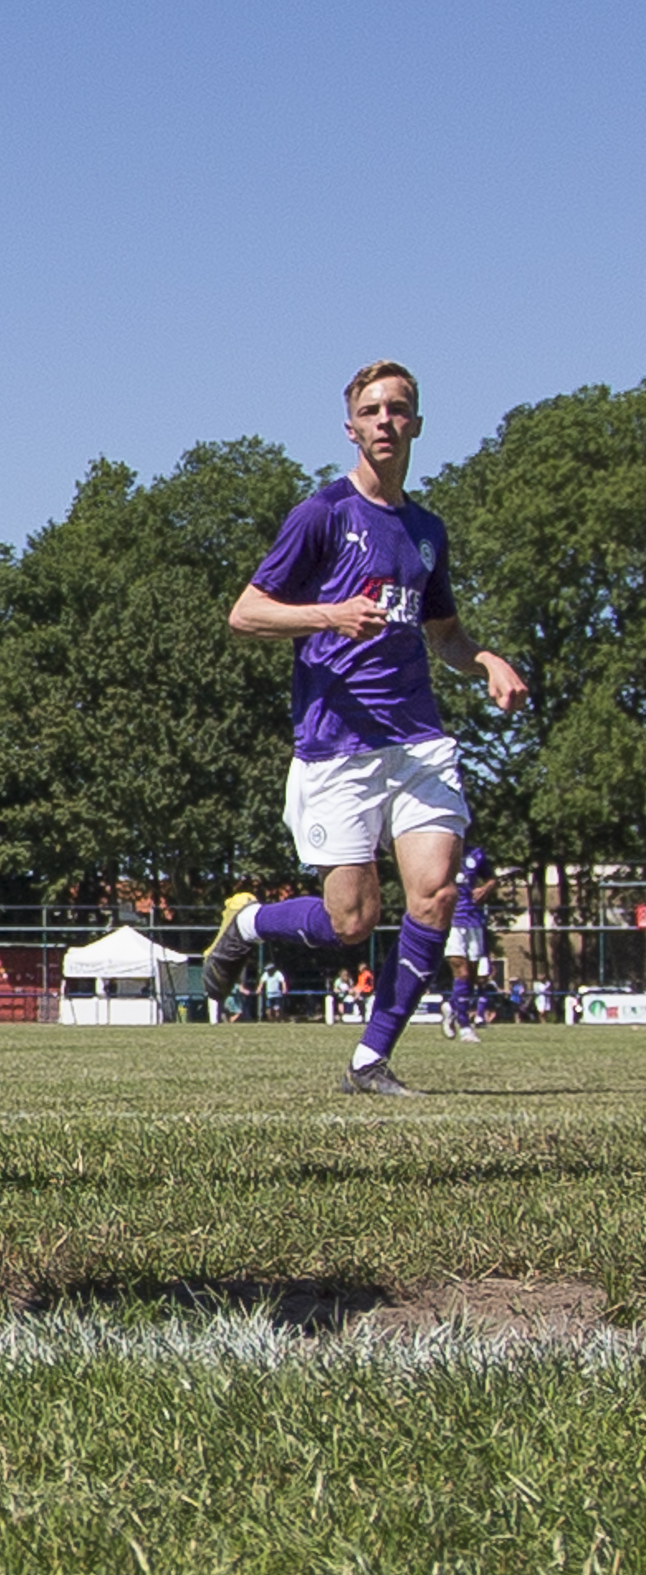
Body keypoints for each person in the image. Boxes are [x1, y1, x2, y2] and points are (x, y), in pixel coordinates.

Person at [201, 362, 529, 1095]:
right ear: (351, 428)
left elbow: (445, 635)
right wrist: (330, 614)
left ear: (417, 424)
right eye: (373, 410)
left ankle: (369, 1060)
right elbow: (245, 614)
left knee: (436, 894)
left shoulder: (426, 532)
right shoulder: (322, 514)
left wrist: (484, 660)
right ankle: (250, 923)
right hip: (336, 742)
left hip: (417, 740)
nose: (386, 420)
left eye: (399, 409)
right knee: (351, 920)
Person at [440, 842, 497, 1044]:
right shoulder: (440, 849)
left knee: (472, 977)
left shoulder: (476, 853)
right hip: (452, 922)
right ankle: (465, 1026)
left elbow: (492, 879)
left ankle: (451, 1007)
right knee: (462, 972)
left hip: (474, 921)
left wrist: (485, 888)